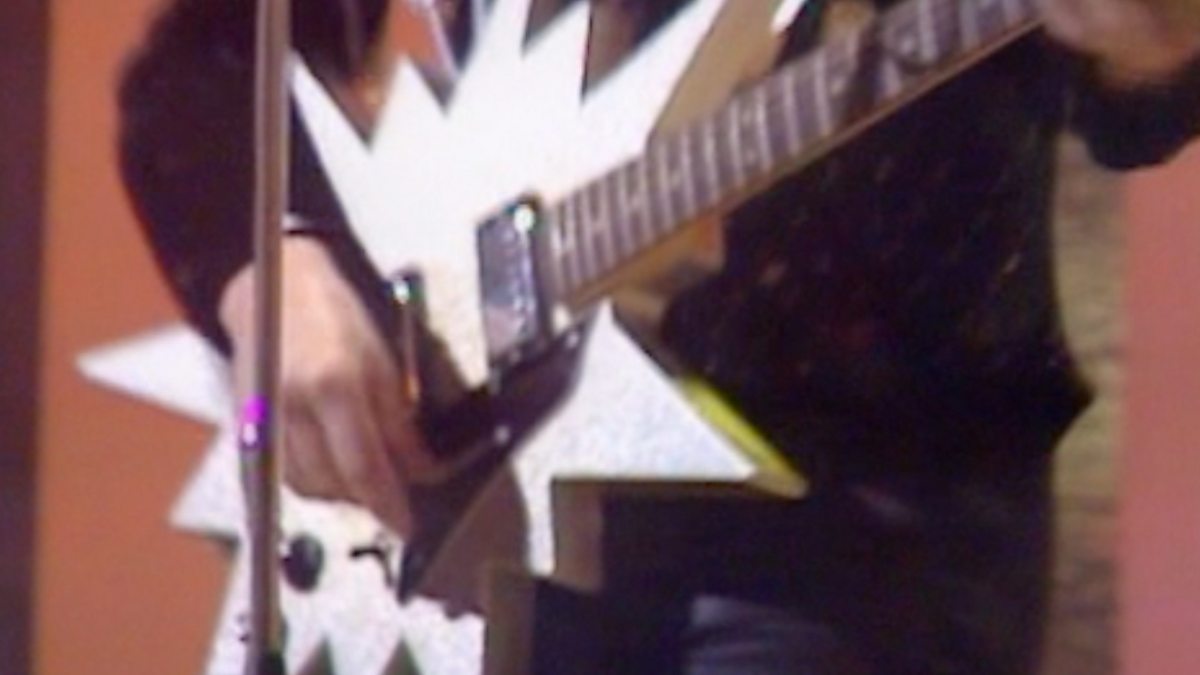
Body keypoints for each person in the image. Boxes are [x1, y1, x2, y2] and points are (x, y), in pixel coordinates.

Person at [117, 0, 1200, 672]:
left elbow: (1133, 94)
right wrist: (275, 267)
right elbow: (205, 63)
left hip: (869, 504)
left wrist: (1158, 52)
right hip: (480, 504)